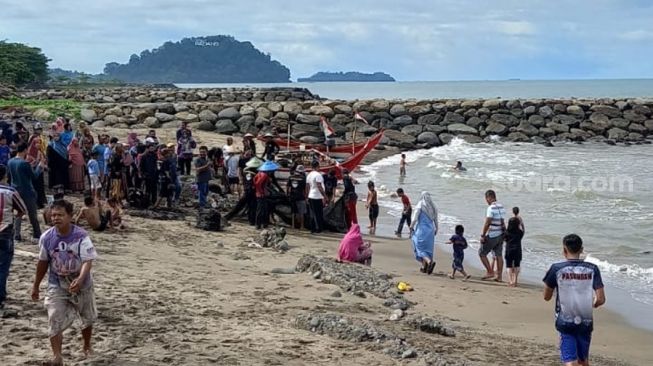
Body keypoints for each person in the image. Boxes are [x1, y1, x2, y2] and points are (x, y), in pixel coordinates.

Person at [31, 200, 98, 365]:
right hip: (57, 282)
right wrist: (36, 285)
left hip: (82, 283)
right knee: (54, 317)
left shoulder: (81, 236)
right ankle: (57, 356)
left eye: (60, 215)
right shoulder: (47, 237)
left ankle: (87, 345)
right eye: (53, 215)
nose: (56, 218)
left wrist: (81, 279)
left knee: (87, 317)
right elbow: (43, 262)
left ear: (70, 216)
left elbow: (87, 261)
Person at [543, 234, 605, 366]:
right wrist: (591, 303)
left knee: (570, 361)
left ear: (564, 250)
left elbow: (546, 297)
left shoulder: (556, 269)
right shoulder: (592, 269)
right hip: (585, 320)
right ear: (581, 249)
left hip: (565, 320)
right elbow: (601, 299)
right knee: (583, 361)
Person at [0, 165, 27, 310]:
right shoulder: (10, 191)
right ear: (5, 176)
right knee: (3, 265)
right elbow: (22, 210)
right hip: (5, 230)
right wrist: (14, 218)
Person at [8, 143, 43, 243]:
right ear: (25, 150)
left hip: (15, 190)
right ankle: (37, 234)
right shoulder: (24, 163)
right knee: (32, 214)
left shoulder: (10, 161)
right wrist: (40, 167)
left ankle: (16, 234)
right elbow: (34, 176)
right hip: (27, 191)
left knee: (18, 213)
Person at [479, 189, 507, 282]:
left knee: (482, 253)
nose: (486, 201)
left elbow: (487, 222)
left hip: (493, 234)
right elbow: (502, 221)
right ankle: (499, 276)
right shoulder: (501, 206)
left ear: (489, 198)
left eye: (486, 199)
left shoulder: (491, 208)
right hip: (501, 234)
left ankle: (490, 271)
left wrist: (483, 235)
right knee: (499, 255)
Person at [409, 191, 438, 274]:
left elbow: (415, 218)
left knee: (419, 246)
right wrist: (437, 228)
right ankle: (424, 267)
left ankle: (429, 262)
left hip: (422, 229)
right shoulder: (433, 206)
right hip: (430, 230)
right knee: (428, 249)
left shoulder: (420, 205)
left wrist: (411, 226)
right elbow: (436, 219)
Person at [306, 160, 327, 234]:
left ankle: (312, 228)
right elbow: (319, 186)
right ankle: (319, 228)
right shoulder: (318, 175)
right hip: (317, 196)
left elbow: (307, 186)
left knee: (312, 213)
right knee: (318, 213)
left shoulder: (309, 175)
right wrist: (324, 196)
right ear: (317, 166)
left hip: (311, 195)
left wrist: (307, 196)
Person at [505, 217, 524, 287]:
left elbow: (505, 239)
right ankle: (515, 280)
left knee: (509, 265)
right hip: (517, 249)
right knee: (517, 265)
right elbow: (523, 231)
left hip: (509, 249)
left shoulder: (507, 232)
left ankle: (510, 281)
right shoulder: (520, 232)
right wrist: (522, 224)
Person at [287, 165, 307, 230]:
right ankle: (302, 226)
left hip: (292, 196)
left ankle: (293, 225)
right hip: (300, 196)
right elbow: (305, 189)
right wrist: (306, 197)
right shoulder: (303, 178)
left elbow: (288, 188)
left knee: (293, 211)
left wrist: (288, 195)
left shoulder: (290, 177)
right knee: (302, 212)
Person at [139, 143, 159, 208]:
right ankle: (146, 202)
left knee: (154, 190)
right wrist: (143, 174)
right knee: (147, 190)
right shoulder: (144, 156)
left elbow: (157, 165)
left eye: (153, 147)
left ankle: (154, 202)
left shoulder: (155, 155)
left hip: (154, 175)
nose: (152, 149)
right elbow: (141, 166)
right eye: (150, 147)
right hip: (147, 175)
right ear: (147, 148)